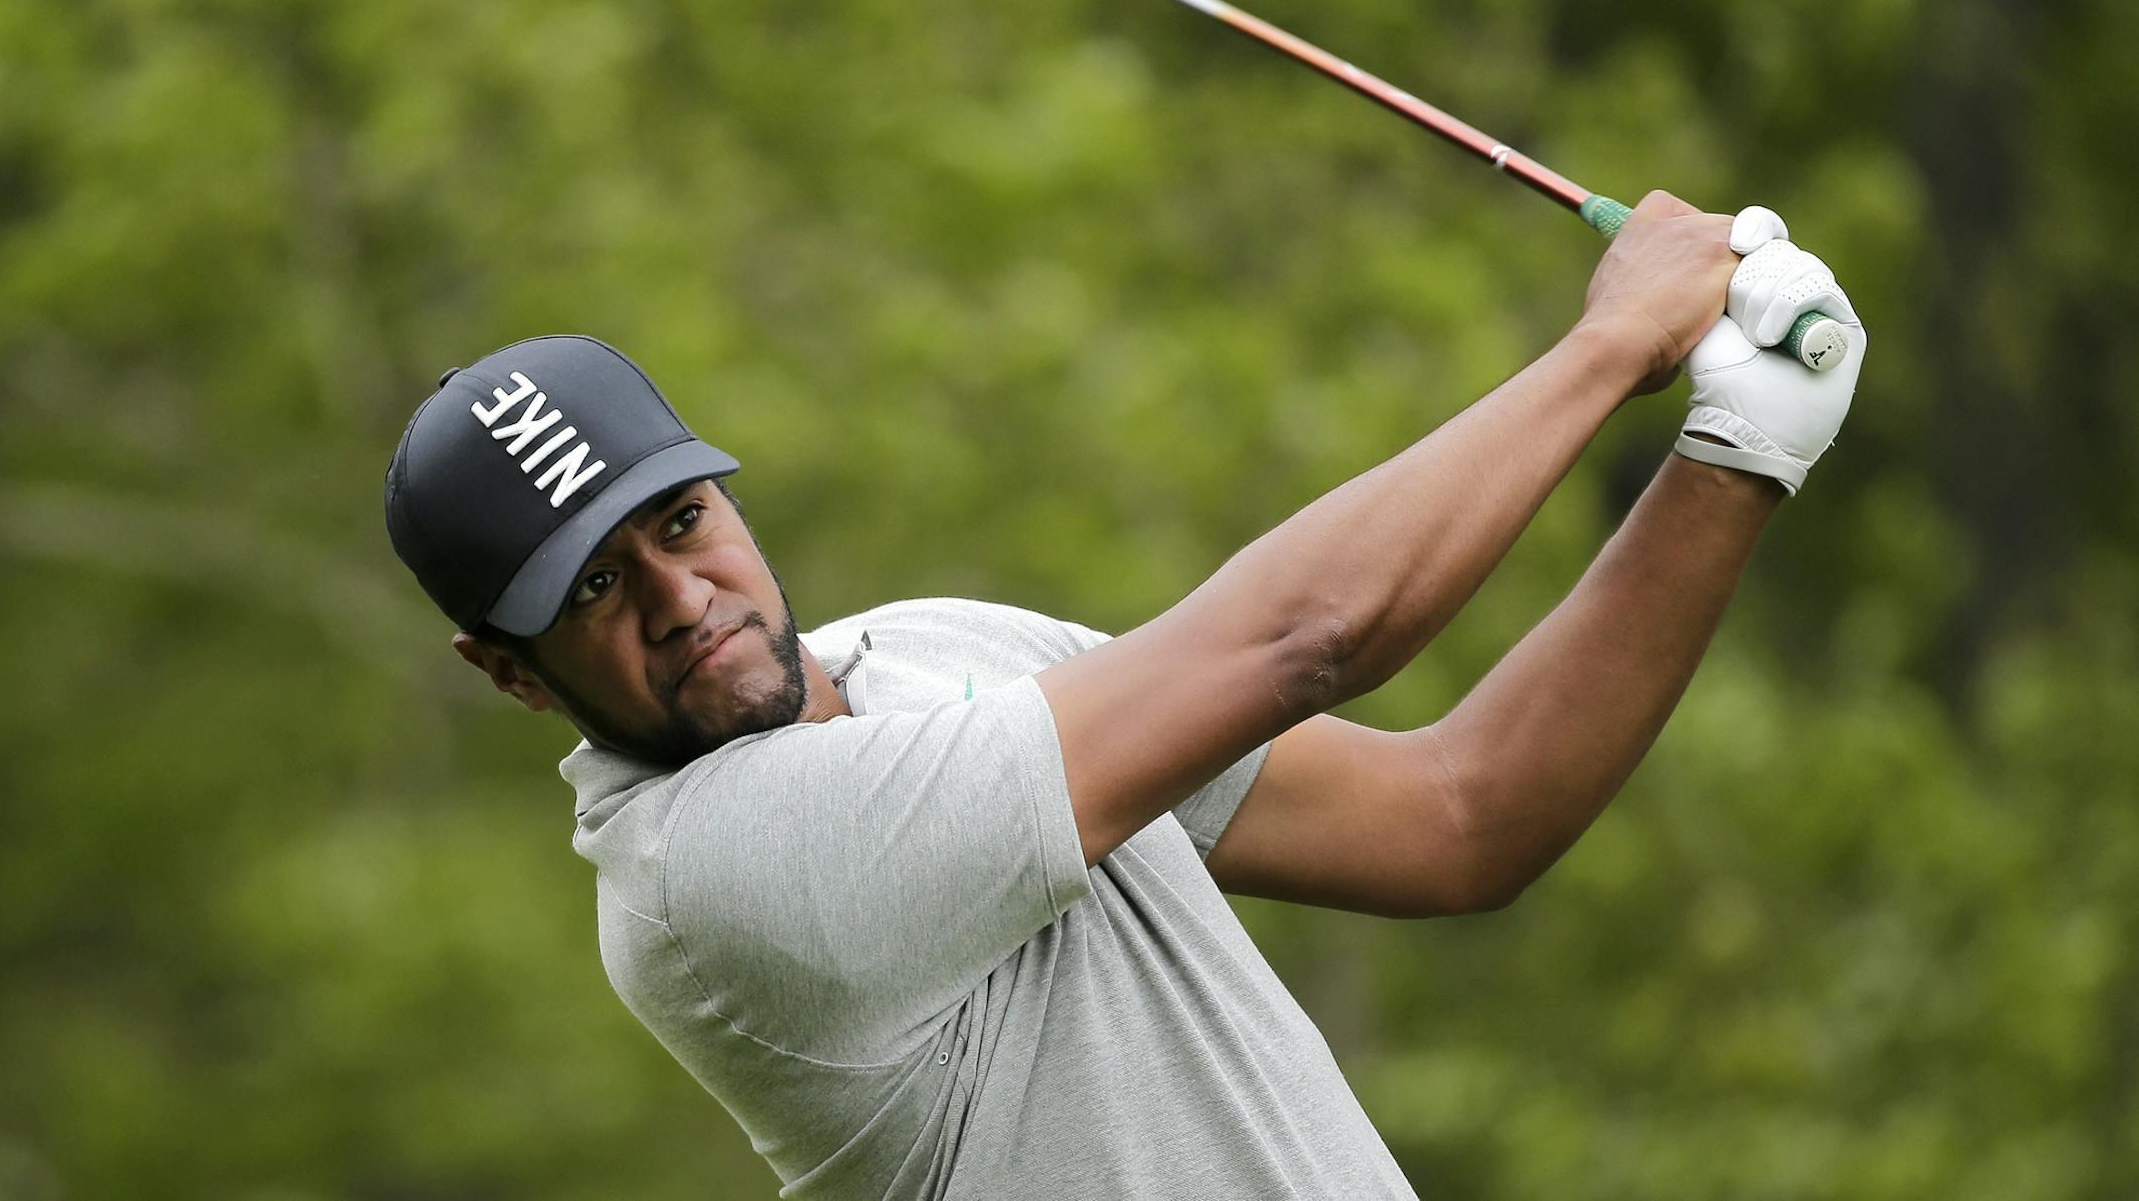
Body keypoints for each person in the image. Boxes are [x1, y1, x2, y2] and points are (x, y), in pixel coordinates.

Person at [381, 191, 1865, 1199]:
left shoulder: (923, 647)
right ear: (509, 672)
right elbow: (1304, 634)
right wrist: (1616, 340)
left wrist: (1739, 454)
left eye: (680, 522)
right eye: (592, 590)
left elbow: (1457, 815)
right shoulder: (712, 882)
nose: (678, 597)